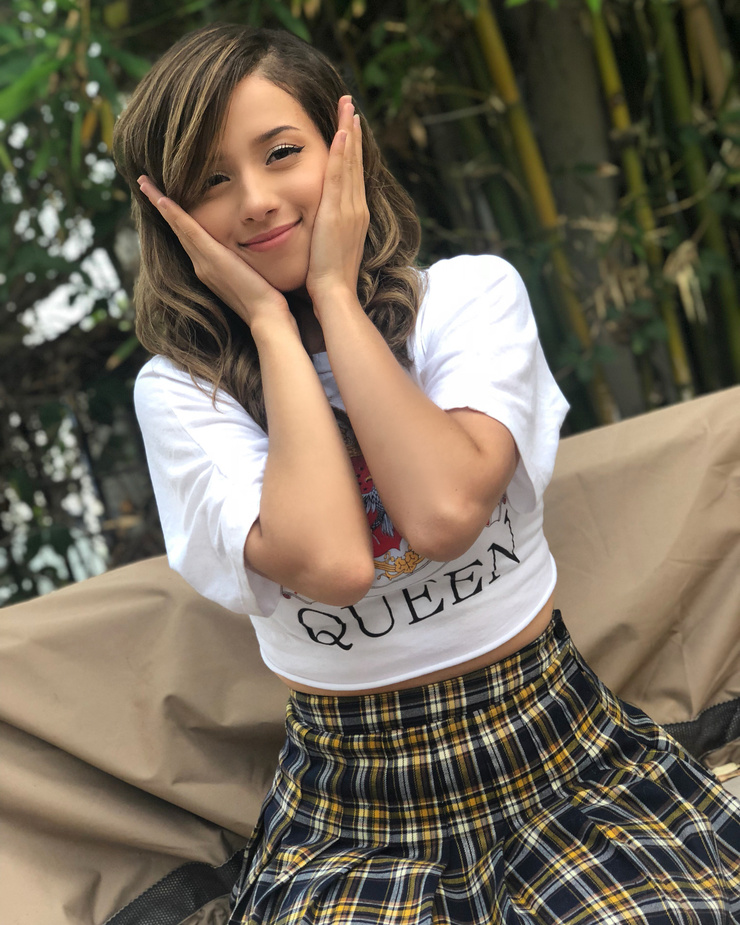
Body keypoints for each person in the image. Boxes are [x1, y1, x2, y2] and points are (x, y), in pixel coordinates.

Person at [113, 21, 740, 925]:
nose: (254, 200)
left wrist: (333, 294)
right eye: (211, 181)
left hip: (561, 754)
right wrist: (273, 326)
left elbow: (444, 513)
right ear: (169, 215)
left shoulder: (467, 299)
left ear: (343, 146)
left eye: (281, 152)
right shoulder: (181, 392)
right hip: (355, 809)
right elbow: (334, 564)